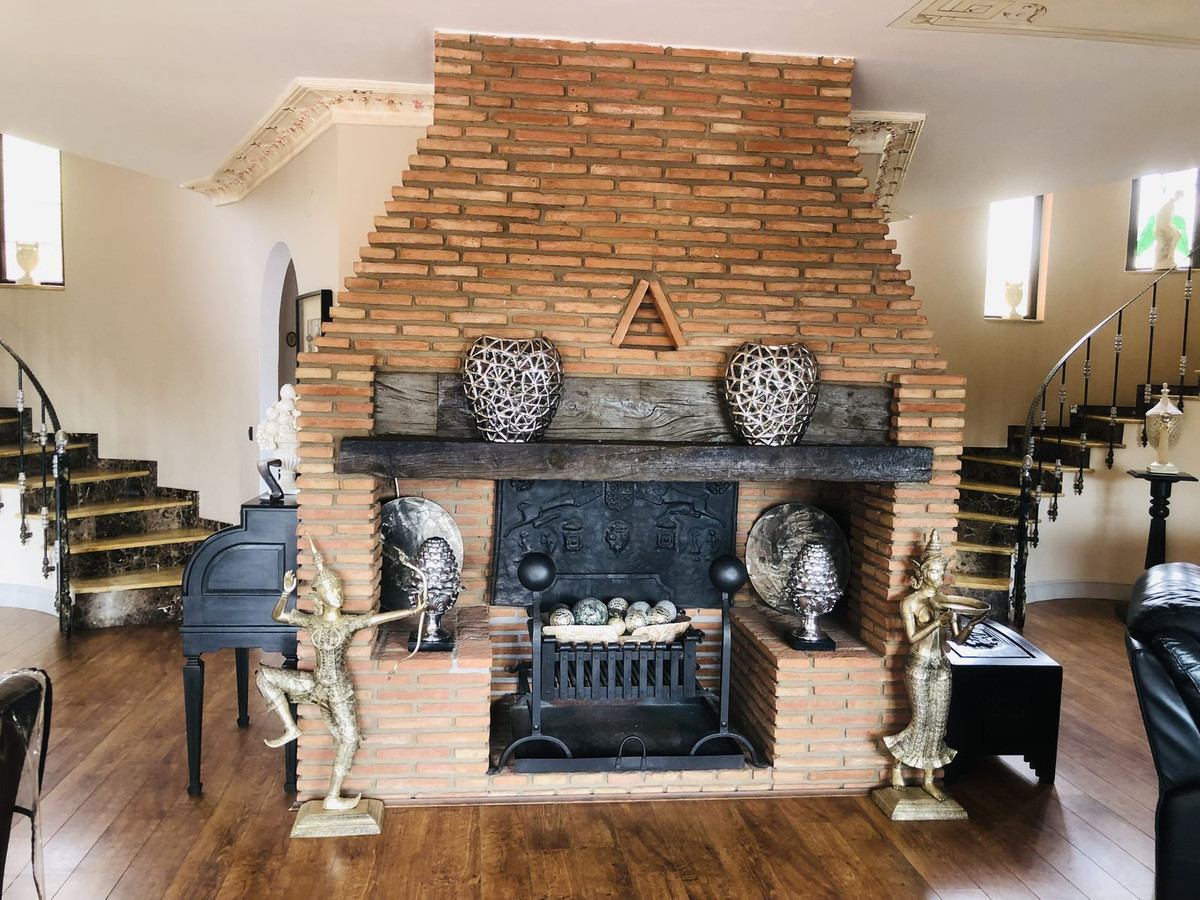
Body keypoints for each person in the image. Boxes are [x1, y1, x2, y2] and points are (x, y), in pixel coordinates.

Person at [256, 540, 426, 811]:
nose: (337, 594)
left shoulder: (348, 623)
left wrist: (412, 611)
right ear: (320, 597)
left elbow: (376, 619)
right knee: (264, 677)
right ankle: (290, 727)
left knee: (350, 738)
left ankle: (332, 796)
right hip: (315, 683)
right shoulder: (312, 621)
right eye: (330, 590)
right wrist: (285, 593)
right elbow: (278, 616)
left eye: (338, 589)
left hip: (339, 690)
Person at [883, 531, 990, 800]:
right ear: (922, 573)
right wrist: (935, 622)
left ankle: (929, 779)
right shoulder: (910, 602)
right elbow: (912, 638)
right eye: (933, 571)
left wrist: (971, 624)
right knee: (921, 719)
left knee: (938, 724)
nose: (939, 576)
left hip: (941, 665)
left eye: (941, 571)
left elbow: (956, 640)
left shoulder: (946, 603)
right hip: (918, 664)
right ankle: (897, 764)